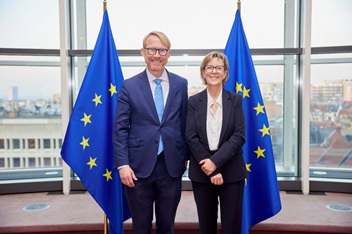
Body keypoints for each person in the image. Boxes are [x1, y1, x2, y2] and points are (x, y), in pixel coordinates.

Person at [113, 31, 189, 234]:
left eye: (162, 50)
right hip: (137, 169)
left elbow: (184, 124)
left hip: (171, 166)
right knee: (141, 227)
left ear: (169, 53)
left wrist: (185, 157)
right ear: (143, 52)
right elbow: (120, 129)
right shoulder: (129, 86)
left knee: (167, 226)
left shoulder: (181, 84)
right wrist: (122, 165)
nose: (157, 54)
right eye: (152, 49)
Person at [186, 51, 247, 234]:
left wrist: (215, 163)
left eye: (219, 68)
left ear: (225, 73)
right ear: (203, 72)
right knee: (206, 226)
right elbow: (190, 136)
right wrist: (209, 165)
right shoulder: (193, 102)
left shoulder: (235, 100)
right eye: (210, 67)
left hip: (232, 172)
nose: (214, 72)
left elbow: (238, 136)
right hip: (201, 171)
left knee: (232, 227)